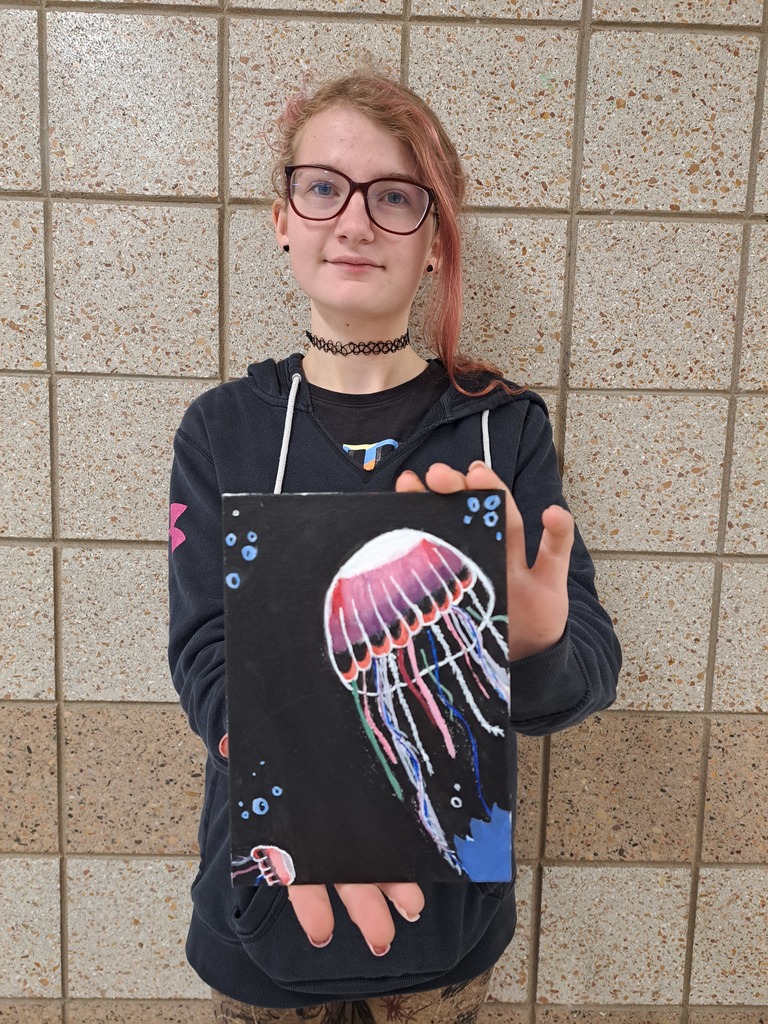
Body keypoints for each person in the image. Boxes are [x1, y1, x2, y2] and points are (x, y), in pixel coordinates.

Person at [168, 72, 621, 1023]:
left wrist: (536, 647)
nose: (356, 222)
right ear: (281, 220)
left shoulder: (503, 430)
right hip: (261, 918)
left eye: (396, 196)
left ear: (434, 241)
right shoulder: (223, 429)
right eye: (323, 187)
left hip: (447, 937)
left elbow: (584, 678)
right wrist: (313, 806)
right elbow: (205, 653)